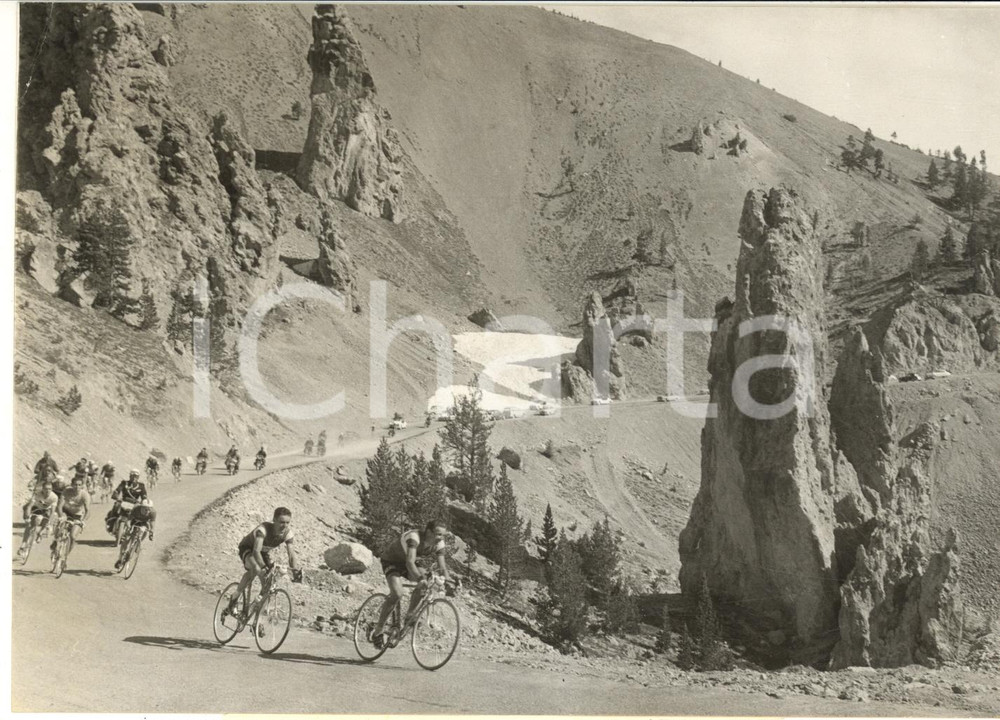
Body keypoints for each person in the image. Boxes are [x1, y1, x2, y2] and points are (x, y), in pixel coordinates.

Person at [370, 520, 453, 649]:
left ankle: (409, 615)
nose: (440, 538)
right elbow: (409, 562)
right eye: (438, 534)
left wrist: (449, 581)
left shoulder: (439, 543)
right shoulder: (414, 537)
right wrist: (420, 578)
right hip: (392, 561)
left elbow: (442, 567)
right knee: (397, 593)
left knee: (427, 582)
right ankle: (378, 630)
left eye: (442, 535)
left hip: (411, 562)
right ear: (428, 532)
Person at [229, 507, 302, 615]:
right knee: (256, 568)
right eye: (281, 522)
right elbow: (256, 552)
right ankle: (234, 598)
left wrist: (295, 570)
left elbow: (291, 555)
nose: (285, 526)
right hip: (248, 548)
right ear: (274, 520)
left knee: (270, 582)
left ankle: (256, 611)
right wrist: (263, 568)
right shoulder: (263, 530)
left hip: (263, 552)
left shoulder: (287, 533)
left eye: (287, 522)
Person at [51, 473, 91, 567]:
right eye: (75, 484)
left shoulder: (85, 495)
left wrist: (83, 521)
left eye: (79, 485)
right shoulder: (66, 491)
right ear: (72, 484)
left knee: (73, 536)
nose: (77, 487)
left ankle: (65, 557)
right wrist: (61, 516)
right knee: (60, 526)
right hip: (66, 512)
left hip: (77, 515)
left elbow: (88, 511)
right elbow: (60, 506)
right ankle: (55, 540)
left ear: (82, 486)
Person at [17, 478, 58, 559]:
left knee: (47, 518)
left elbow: (53, 511)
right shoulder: (37, 494)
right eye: (46, 489)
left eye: (49, 489)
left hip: (47, 510)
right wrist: (27, 516)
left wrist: (50, 522)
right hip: (36, 508)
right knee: (30, 526)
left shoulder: (54, 497)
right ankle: (23, 544)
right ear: (42, 489)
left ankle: (40, 532)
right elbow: (30, 506)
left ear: (52, 489)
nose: (47, 490)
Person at [115, 498, 157, 570]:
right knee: (126, 539)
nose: (147, 511)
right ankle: (120, 559)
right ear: (141, 507)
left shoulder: (153, 512)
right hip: (134, 521)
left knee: (144, 531)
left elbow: (152, 524)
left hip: (144, 523)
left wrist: (151, 532)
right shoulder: (136, 508)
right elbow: (129, 520)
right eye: (145, 509)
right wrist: (128, 526)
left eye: (149, 509)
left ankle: (137, 543)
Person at [105, 470, 148, 535]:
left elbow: (144, 495)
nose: (134, 478)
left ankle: (136, 528)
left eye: (136, 476)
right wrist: (115, 494)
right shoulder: (124, 483)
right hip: (124, 501)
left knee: (139, 513)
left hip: (134, 503)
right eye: (132, 476)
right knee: (116, 505)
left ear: (138, 477)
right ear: (130, 476)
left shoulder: (141, 486)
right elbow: (118, 490)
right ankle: (111, 523)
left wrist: (144, 501)